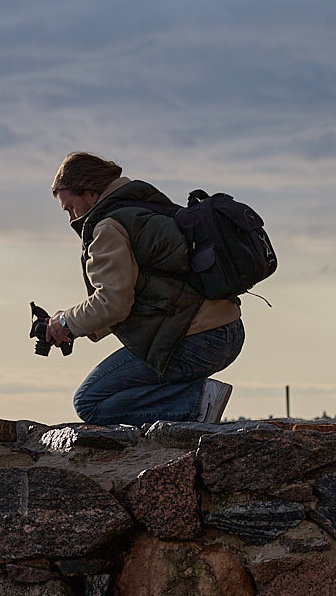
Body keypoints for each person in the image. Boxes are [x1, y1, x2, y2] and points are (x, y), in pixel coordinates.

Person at [43, 152, 244, 424]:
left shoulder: (108, 227)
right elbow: (142, 290)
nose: (70, 219)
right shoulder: (144, 204)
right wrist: (76, 328)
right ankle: (192, 407)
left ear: (90, 194)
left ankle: (197, 401)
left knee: (90, 401)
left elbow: (113, 302)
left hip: (195, 340)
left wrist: (66, 319)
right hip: (228, 331)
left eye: (69, 208)